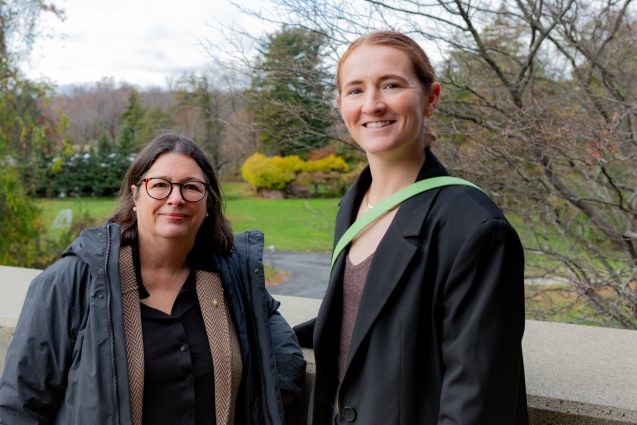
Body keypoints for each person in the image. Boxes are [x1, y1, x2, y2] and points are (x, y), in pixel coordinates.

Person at [294, 31, 528, 424]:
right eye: (355, 90)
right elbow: (374, 313)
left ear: (431, 97)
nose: (372, 104)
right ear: (340, 105)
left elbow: (478, 401)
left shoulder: (473, 227)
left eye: (391, 85)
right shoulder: (353, 207)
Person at [0, 133, 306, 425]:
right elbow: (21, 404)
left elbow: (278, 339)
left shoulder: (230, 276)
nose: (176, 198)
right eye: (159, 185)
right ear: (135, 195)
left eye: (191, 187)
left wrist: (264, 400)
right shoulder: (76, 280)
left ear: (208, 202)